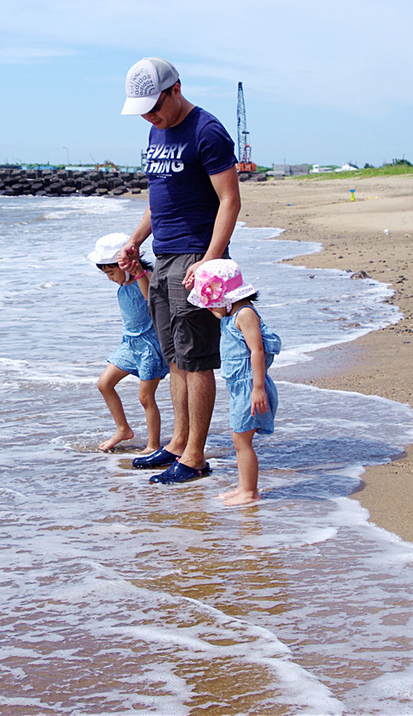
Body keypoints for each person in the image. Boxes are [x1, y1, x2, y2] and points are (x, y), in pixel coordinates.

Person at [116, 57, 242, 484]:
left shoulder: (206, 130)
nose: (151, 116)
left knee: (196, 358)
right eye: (143, 110)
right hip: (165, 255)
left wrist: (210, 260)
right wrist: (136, 239)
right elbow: (159, 198)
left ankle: (195, 456)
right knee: (174, 358)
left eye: (155, 106)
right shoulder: (156, 131)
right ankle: (176, 443)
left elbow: (230, 200)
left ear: (176, 89)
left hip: (196, 257)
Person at [187, 259, 281, 504]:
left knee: (242, 442)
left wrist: (258, 389)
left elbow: (257, 352)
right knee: (239, 441)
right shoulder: (231, 312)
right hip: (240, 388)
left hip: (251, 386)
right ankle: (243, 487)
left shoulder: (245, 314)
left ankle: (250, 491)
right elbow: (218, 312)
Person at [87, 233, 167, 454]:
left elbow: (152, 299)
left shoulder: (146, 277)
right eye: (107, 274)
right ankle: (123, 429)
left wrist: (138, 273)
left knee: (145, 397)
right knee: (104, 384)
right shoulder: (122, 285)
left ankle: (153, 444)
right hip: (130, 344)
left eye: (111, 272)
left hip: (150, 346)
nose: (110, 277)